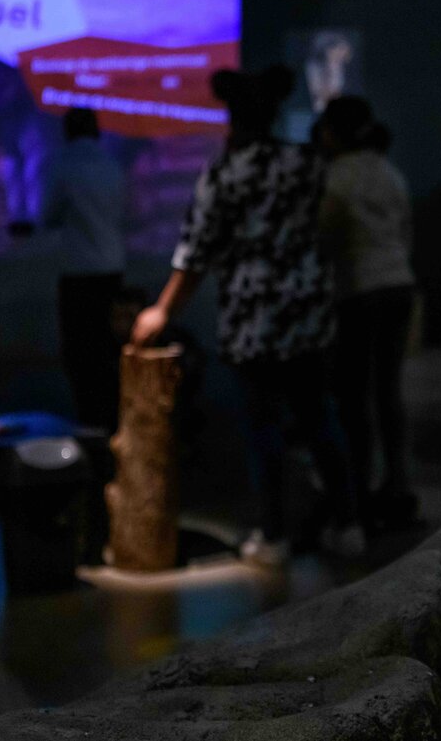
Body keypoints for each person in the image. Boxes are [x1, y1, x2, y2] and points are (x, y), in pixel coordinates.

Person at [131, 66, 364, 565]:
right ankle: (349, 526)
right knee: (321, 420)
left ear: (231, 119)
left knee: (264, 431)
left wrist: (160, 311)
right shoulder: (305, 163)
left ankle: (274, 536)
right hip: (307, 313)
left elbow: (194, 254)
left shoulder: (223, 174)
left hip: (253, 322)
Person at [314, 96, 419, 529]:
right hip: (399, 286)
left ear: (333, 133)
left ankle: (359, 490)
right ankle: (398, 484)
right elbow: (405, 232)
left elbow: (322, 243)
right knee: (389, 393)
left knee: (354, 396)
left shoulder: (334, 177)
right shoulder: (387, 171)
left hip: (358, 292)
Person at [41, 108, 126, 431]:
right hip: (112, 266)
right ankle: (112, 420)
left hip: (79, 272)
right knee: (109, 351)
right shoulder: (110, 165)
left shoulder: (63, 166)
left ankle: (89, 422)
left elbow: (47, 214)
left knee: (80, 355)